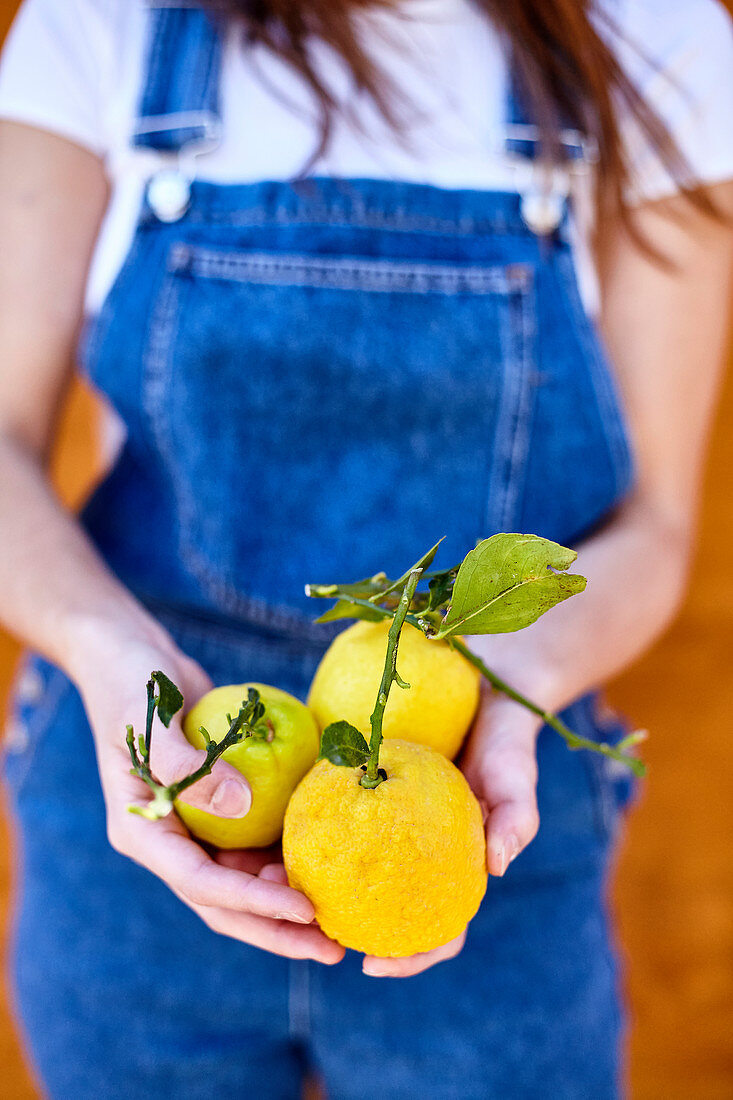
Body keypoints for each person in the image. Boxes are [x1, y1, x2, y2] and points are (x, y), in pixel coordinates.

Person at [0, 0, 732, 1096]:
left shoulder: (656, 33)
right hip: (138, 833)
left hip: (477, 841)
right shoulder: (105, 21)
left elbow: (656, 532)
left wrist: (512, 681)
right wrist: (114, 661)